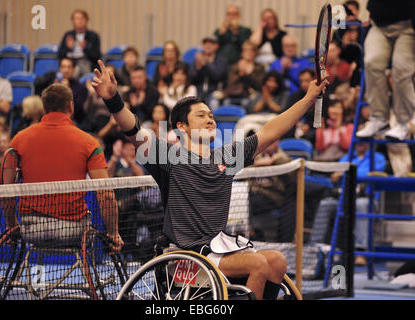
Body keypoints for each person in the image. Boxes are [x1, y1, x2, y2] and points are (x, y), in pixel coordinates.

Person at [91, 59, 328, 300]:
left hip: (216, 250)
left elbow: (270, 131)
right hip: (184, 256)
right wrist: (113, 99)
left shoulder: (227, 158)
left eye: (212, 115)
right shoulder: (168, 158)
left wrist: (308, 99)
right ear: (181, 126)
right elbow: (133, 130)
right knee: (257, 264)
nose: (210, 119)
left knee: (276, 261)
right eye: (201, 115)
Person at [1, 83, 123, 250]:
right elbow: (105, 194)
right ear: (71, 107)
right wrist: (113, 233)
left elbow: (6, 189)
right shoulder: (89, 143)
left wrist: (11, 226)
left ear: (44, 108)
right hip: (73, 229)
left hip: (30, 229)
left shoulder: (18, 140)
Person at [356, 0, 415, 141]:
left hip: (408, 28)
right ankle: (378, 117)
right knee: (372, 62)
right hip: (379, 27)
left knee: (401, 69)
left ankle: (404, 122)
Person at [330, 142, 386, 265]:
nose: (361, 143)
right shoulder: (347, 157)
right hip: (345, 196)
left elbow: (371, 174)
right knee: (327, 204)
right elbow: (334, 174)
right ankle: (328, 250)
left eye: (365, 140)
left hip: (368, 198)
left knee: (361, 205)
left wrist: (345, 173)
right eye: (359, 140)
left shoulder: (378, 158)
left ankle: (361, 252)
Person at [34, 58, 88, 126]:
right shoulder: (52, 81)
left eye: (69, 67)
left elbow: (77, 111)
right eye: (64, 67)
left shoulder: (81, 88)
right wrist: (54, 89)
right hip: (50, 116)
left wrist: (67, 90)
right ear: (60, 69)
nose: (66, 70)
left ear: (74, 69)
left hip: (70, 120)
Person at [58, 9, 102, 78]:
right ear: (73, 21)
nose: (80, 21)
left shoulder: (93, 36)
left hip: (86, 62)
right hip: (71, 61)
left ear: (86, 20)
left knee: (82, 67)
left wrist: (85, 48)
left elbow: (96, 56)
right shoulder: (68, 35)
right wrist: (68, 48)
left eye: (82, 18)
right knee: (67, 68)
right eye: (77, 19)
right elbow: (60, 55)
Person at [188, 36, 228, 110]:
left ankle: (213, 121)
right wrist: (198, 68)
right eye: (205, 43)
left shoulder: (221, 61)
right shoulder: (196, 61)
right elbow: (191, 79)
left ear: (217, 46)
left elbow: (217, 76)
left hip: (214, 92)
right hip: (198, 92)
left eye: (211, 44)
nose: (208, 46)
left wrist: (205, 64)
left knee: (214, 104)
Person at [223, 40, 266, 109]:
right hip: (234, 95)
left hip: (252, 95)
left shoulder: (259, 67)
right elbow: (230, 83)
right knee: (226, 103)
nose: (248, 53)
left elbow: (260, 85)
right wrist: (240, 74)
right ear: (242, 53)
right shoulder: (235, 66)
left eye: (251, 51)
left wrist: (248, 75)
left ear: (255, 53)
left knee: (248, 103)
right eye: (246, 51)